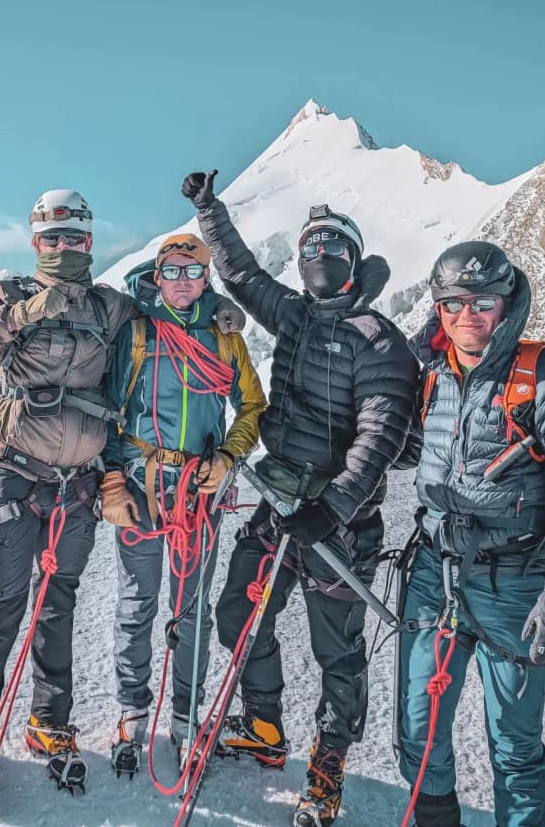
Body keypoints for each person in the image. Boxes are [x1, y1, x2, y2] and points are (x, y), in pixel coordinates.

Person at [181, 170, 419, 825]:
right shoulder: (293, 314)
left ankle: (328, 762)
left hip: (339, 526)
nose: (317, 258)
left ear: (353, 261)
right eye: (310, 249)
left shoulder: (379, 341)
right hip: (278, 500)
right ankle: (263, 725)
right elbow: (239, 273)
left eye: (331, 248)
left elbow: (378, 439)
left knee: (336, 651)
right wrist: (209, 209)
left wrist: (333, 508)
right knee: (239, 610)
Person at [395, 240, 545, 827]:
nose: (469, 316)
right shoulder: (434, 377)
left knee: (514, 744)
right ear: (438, 310)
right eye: (454, 303)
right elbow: (410, 450)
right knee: (418, 726)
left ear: (507, 302)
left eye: (483, 301)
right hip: (434, 574)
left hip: (514, 582)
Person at [0, 188, 135, 801]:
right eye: (54, 238)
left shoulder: (111, 309)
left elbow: (166, 325)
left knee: (57, 605)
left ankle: (50, 722)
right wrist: (21, 316)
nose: (65, 247)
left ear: (90, 242)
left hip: (76, 484)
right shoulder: (7, 296)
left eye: (74, 238)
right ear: (36, 243)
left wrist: (221, 319)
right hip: (10, 476)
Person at [100, 233, 267, 778]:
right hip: (143, 487)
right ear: (156, 274)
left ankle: (185, 715)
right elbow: (109, 409)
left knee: (189, 608)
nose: (181, 282)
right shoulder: (136, 333)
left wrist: (228, 458)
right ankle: (133, 709)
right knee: (137, 601)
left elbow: (251, 406)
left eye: (192, 273)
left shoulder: (224, 338)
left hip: (200, 490)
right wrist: (112, 480)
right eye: (171, 272)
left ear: (205, 279)